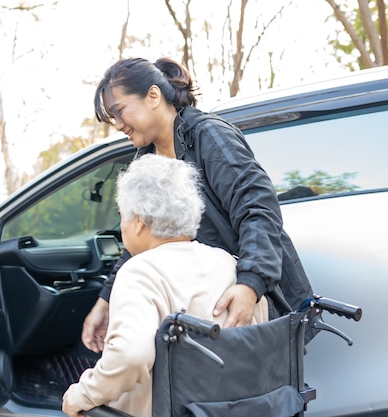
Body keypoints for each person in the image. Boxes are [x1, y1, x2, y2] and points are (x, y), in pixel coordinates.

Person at [82, 57, 315, 354]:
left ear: (153, 96)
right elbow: (141, 240)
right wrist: (105, 301)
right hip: (203, 310)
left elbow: (257, 209)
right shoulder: (147, 160)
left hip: (249, 300)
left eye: (119, 111)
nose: (117, 124)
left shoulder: (209, 136)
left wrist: (250, 284)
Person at [62, 154, 269, 417]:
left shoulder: (139, 271)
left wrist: (81, 394)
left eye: (122, 215)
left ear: (138, 221)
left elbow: (130, 357)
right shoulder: (229, 263)